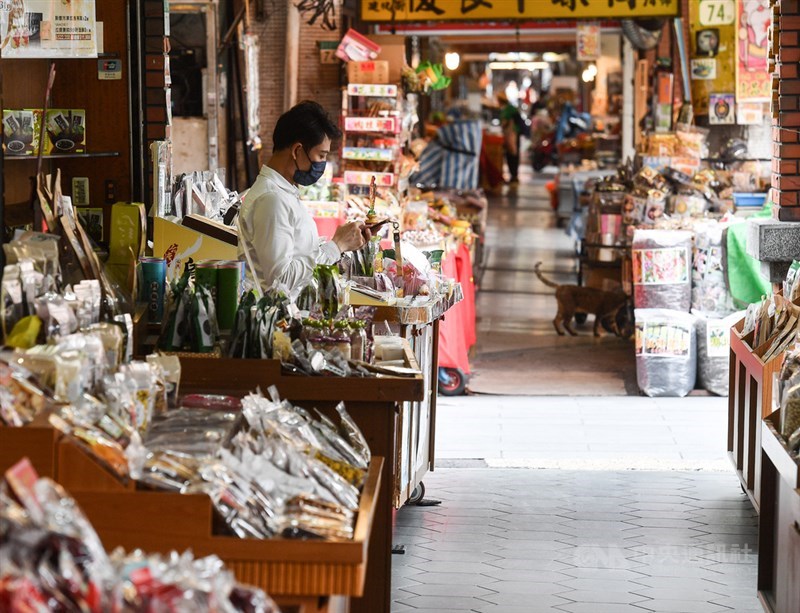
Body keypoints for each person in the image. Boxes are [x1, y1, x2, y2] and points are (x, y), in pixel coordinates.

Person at [238, 101, 370, 295]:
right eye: (321, 155)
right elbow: (281, 279)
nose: (323, 164)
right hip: (275, 318)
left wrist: (342, 242)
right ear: (297, 150)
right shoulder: (272, 200)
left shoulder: (284, 191)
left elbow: (300, 253)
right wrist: (336, 246)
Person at [498, 92, 522, 185]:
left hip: (511, 136)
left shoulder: (507, 110)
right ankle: (514, 175)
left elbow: (504, 123)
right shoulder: (511, 108)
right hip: (515, 134)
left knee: (511, 155)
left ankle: (514, 176)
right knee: (514, 155)